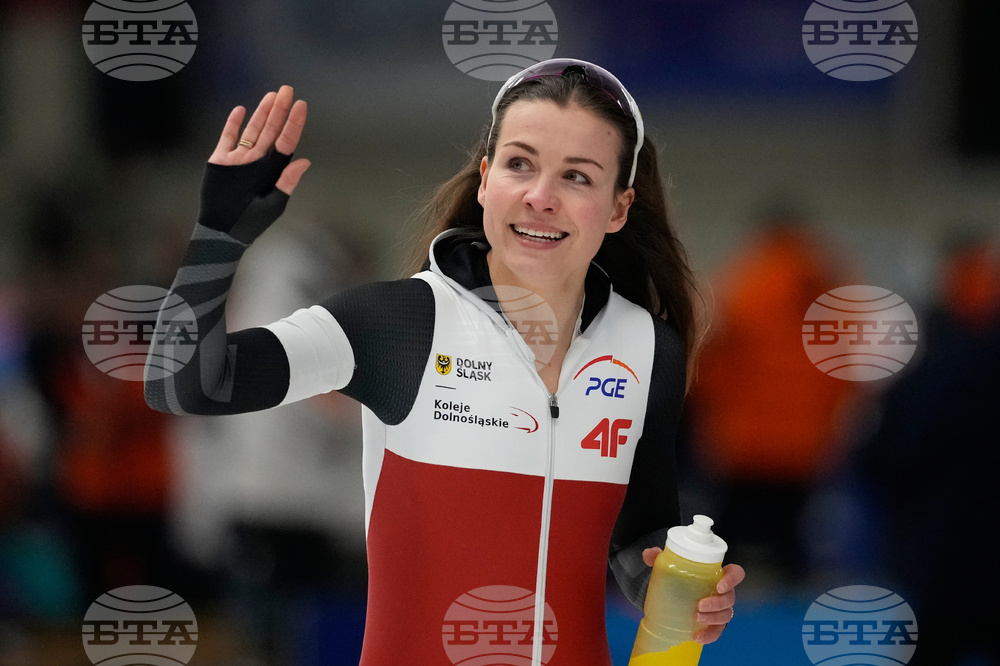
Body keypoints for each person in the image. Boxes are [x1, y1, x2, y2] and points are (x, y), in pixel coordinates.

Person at [144, 59, 745, 664]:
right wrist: (218, 237)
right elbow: (186, 386)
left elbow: (636, 537)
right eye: (520, 164)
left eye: (578, 178)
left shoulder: (646, 349)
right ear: (485, 180)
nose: (540, 196)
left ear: (618, 209)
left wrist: (674, 590)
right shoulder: (398, 324)